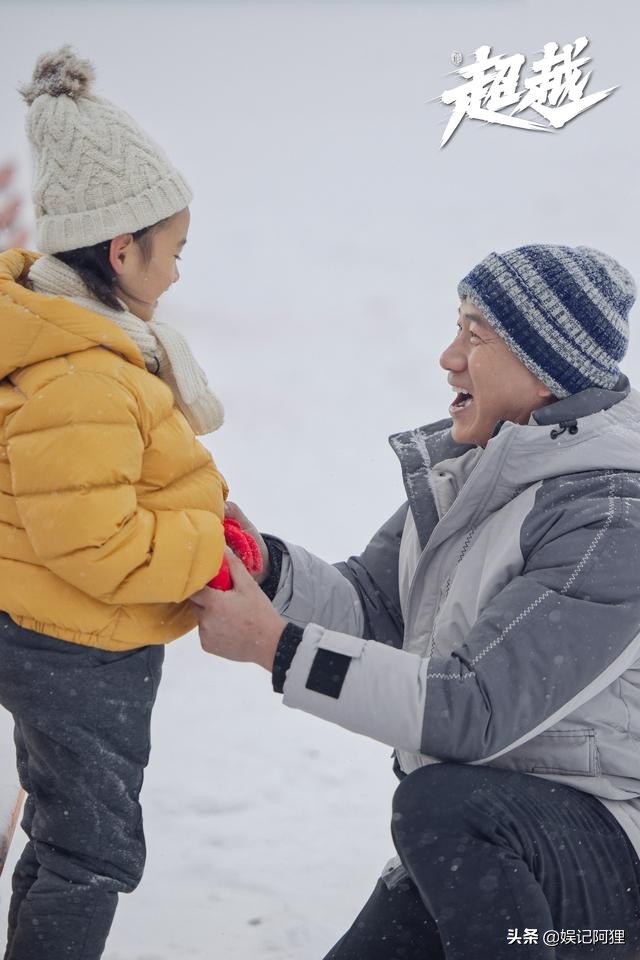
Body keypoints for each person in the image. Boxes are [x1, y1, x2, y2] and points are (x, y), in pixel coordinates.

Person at [193, 243, 640, 959]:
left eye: (474, 336)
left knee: (441, 807)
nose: (447, 357)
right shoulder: (480, 472)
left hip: (604, 880)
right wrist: (264, 569)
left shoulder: (612, 518)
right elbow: (375, 610)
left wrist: (275, 647)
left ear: (543, 366)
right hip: (490, 850)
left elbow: (471, 709)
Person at [0, 47, 231, 960]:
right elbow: (92, 540)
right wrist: (207, 548)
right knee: (88, 848)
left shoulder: (85, 343)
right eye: (171, 251)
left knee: (68, 836)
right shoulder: (81, 375)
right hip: (79, 641)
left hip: (67, 633)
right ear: (121, 248)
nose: (177, 273)